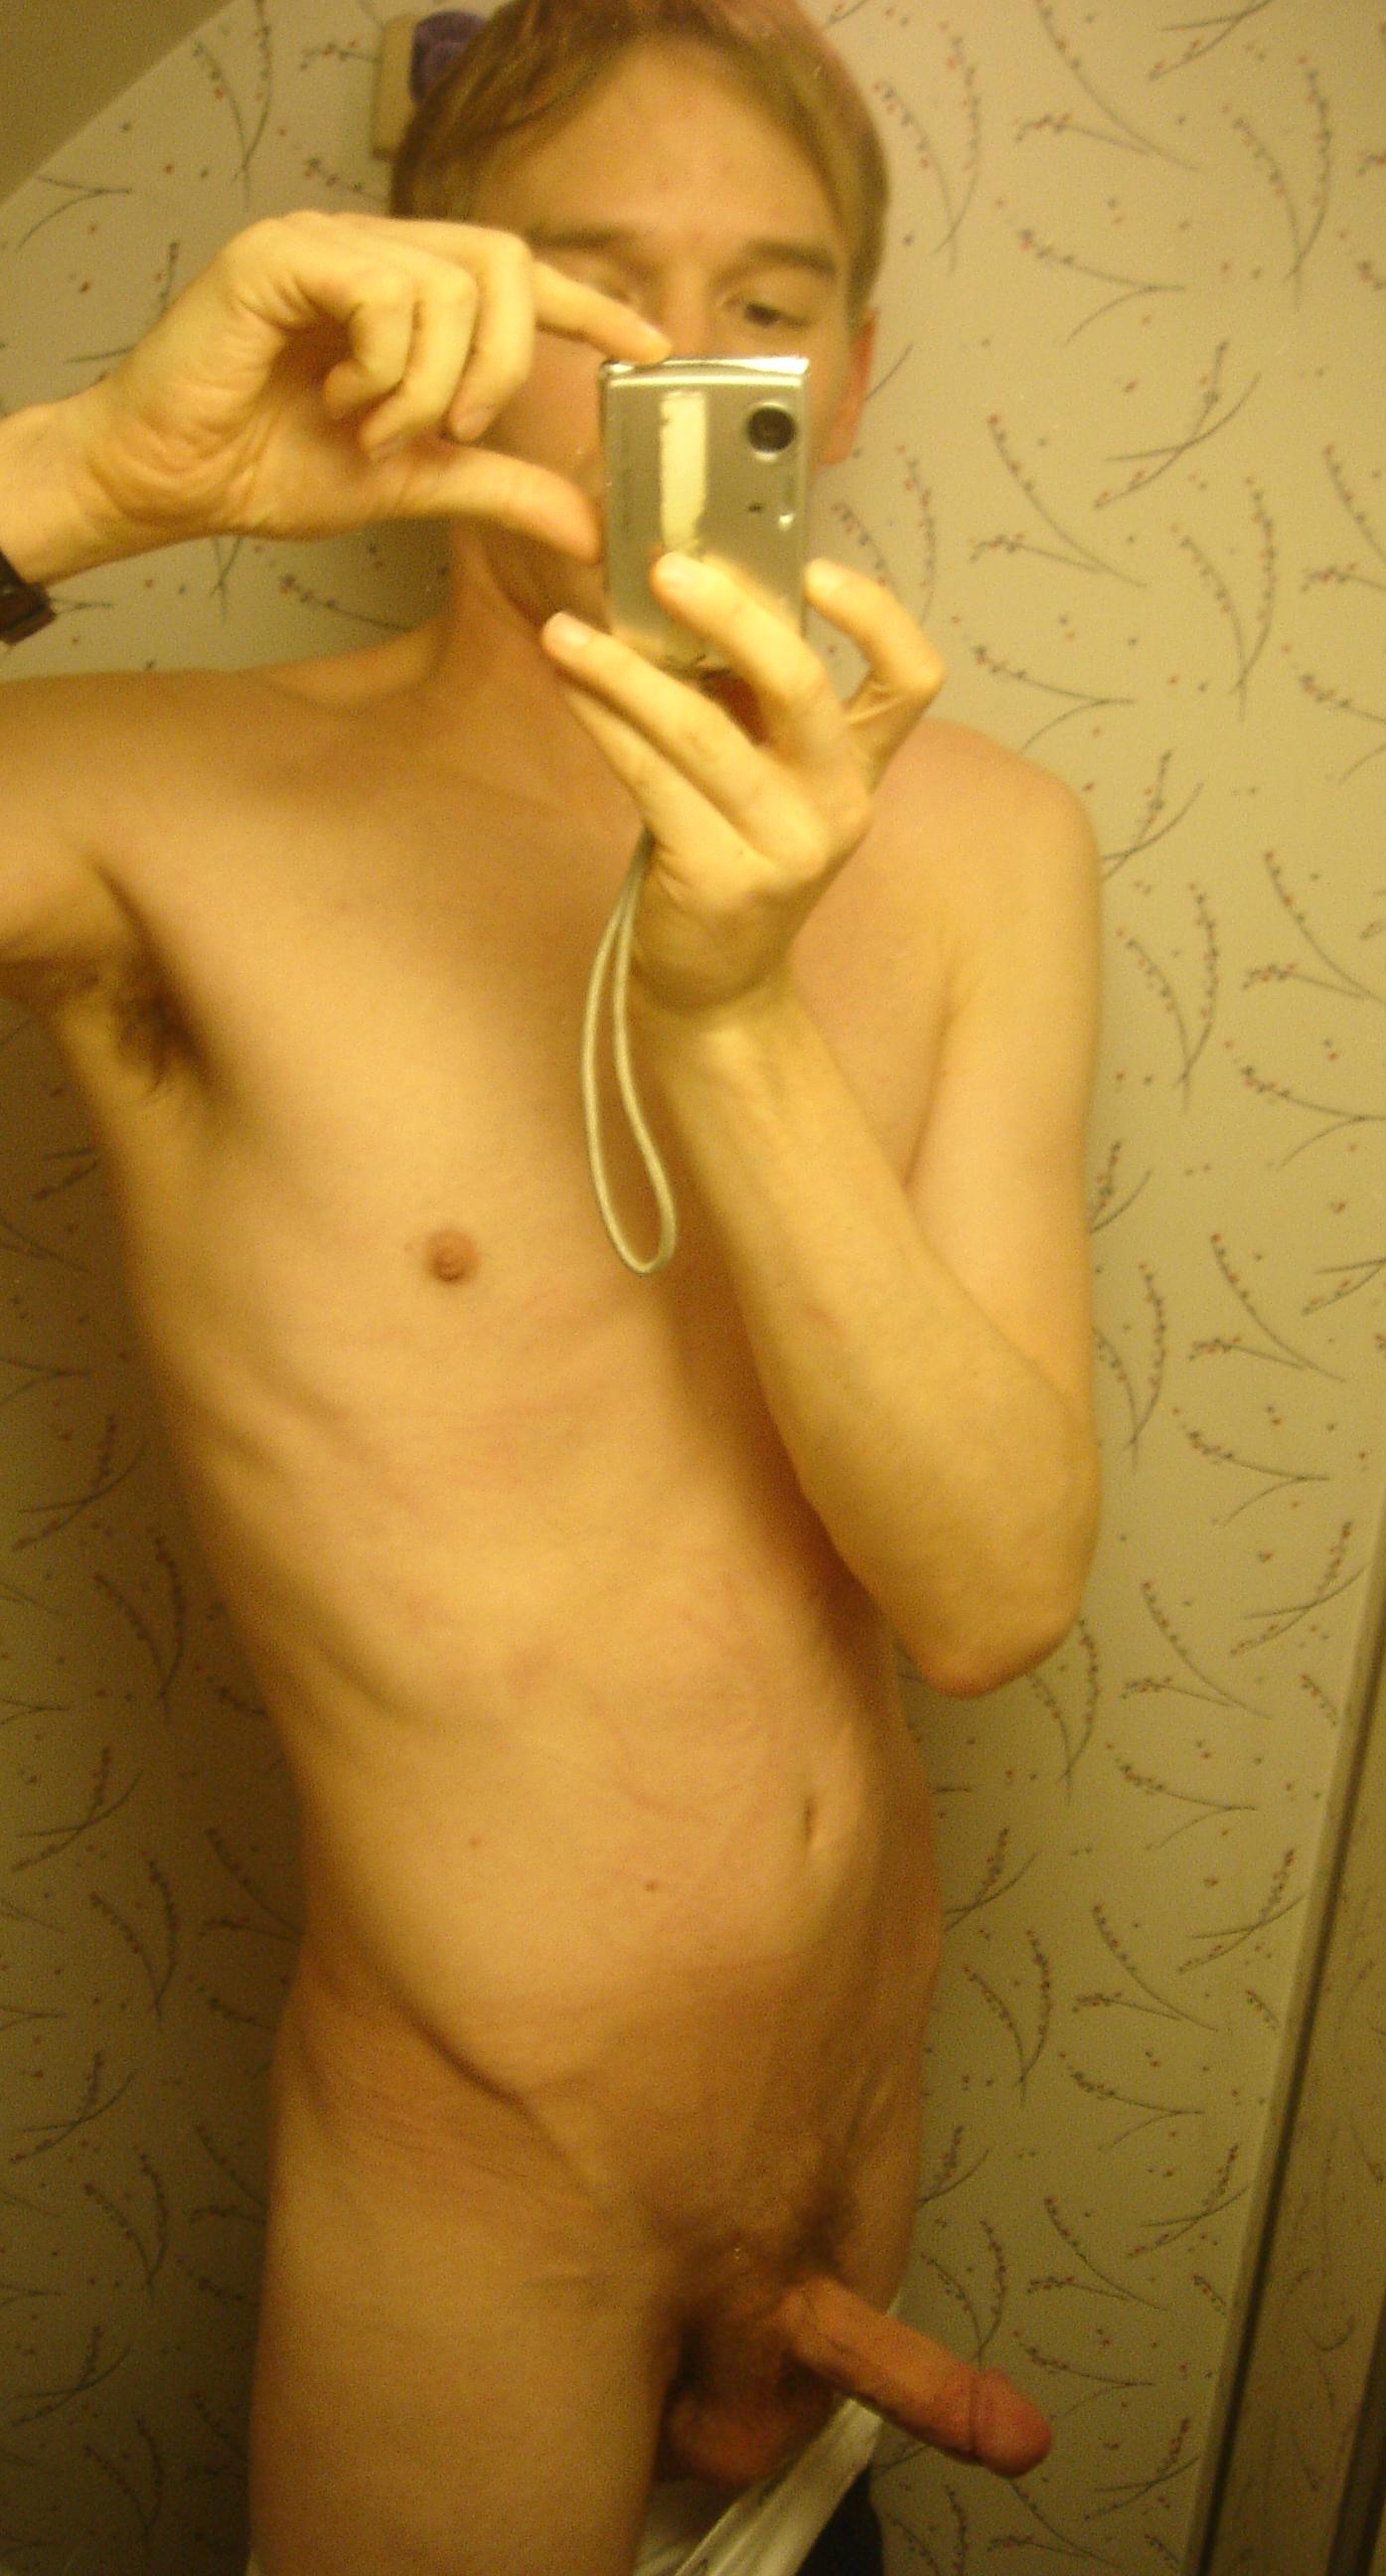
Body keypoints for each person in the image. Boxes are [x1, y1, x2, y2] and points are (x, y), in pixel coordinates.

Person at [0, 1, 1101, 2568]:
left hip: (847, 2160)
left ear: (846, 376)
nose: (675, 365)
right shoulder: (167, 812)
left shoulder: (991, 848)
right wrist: (91, 477)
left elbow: (991, 1587)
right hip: (469, 2229)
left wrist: (731, 1014)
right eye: (586, 286)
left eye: (763, 300)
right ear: (431, 320)